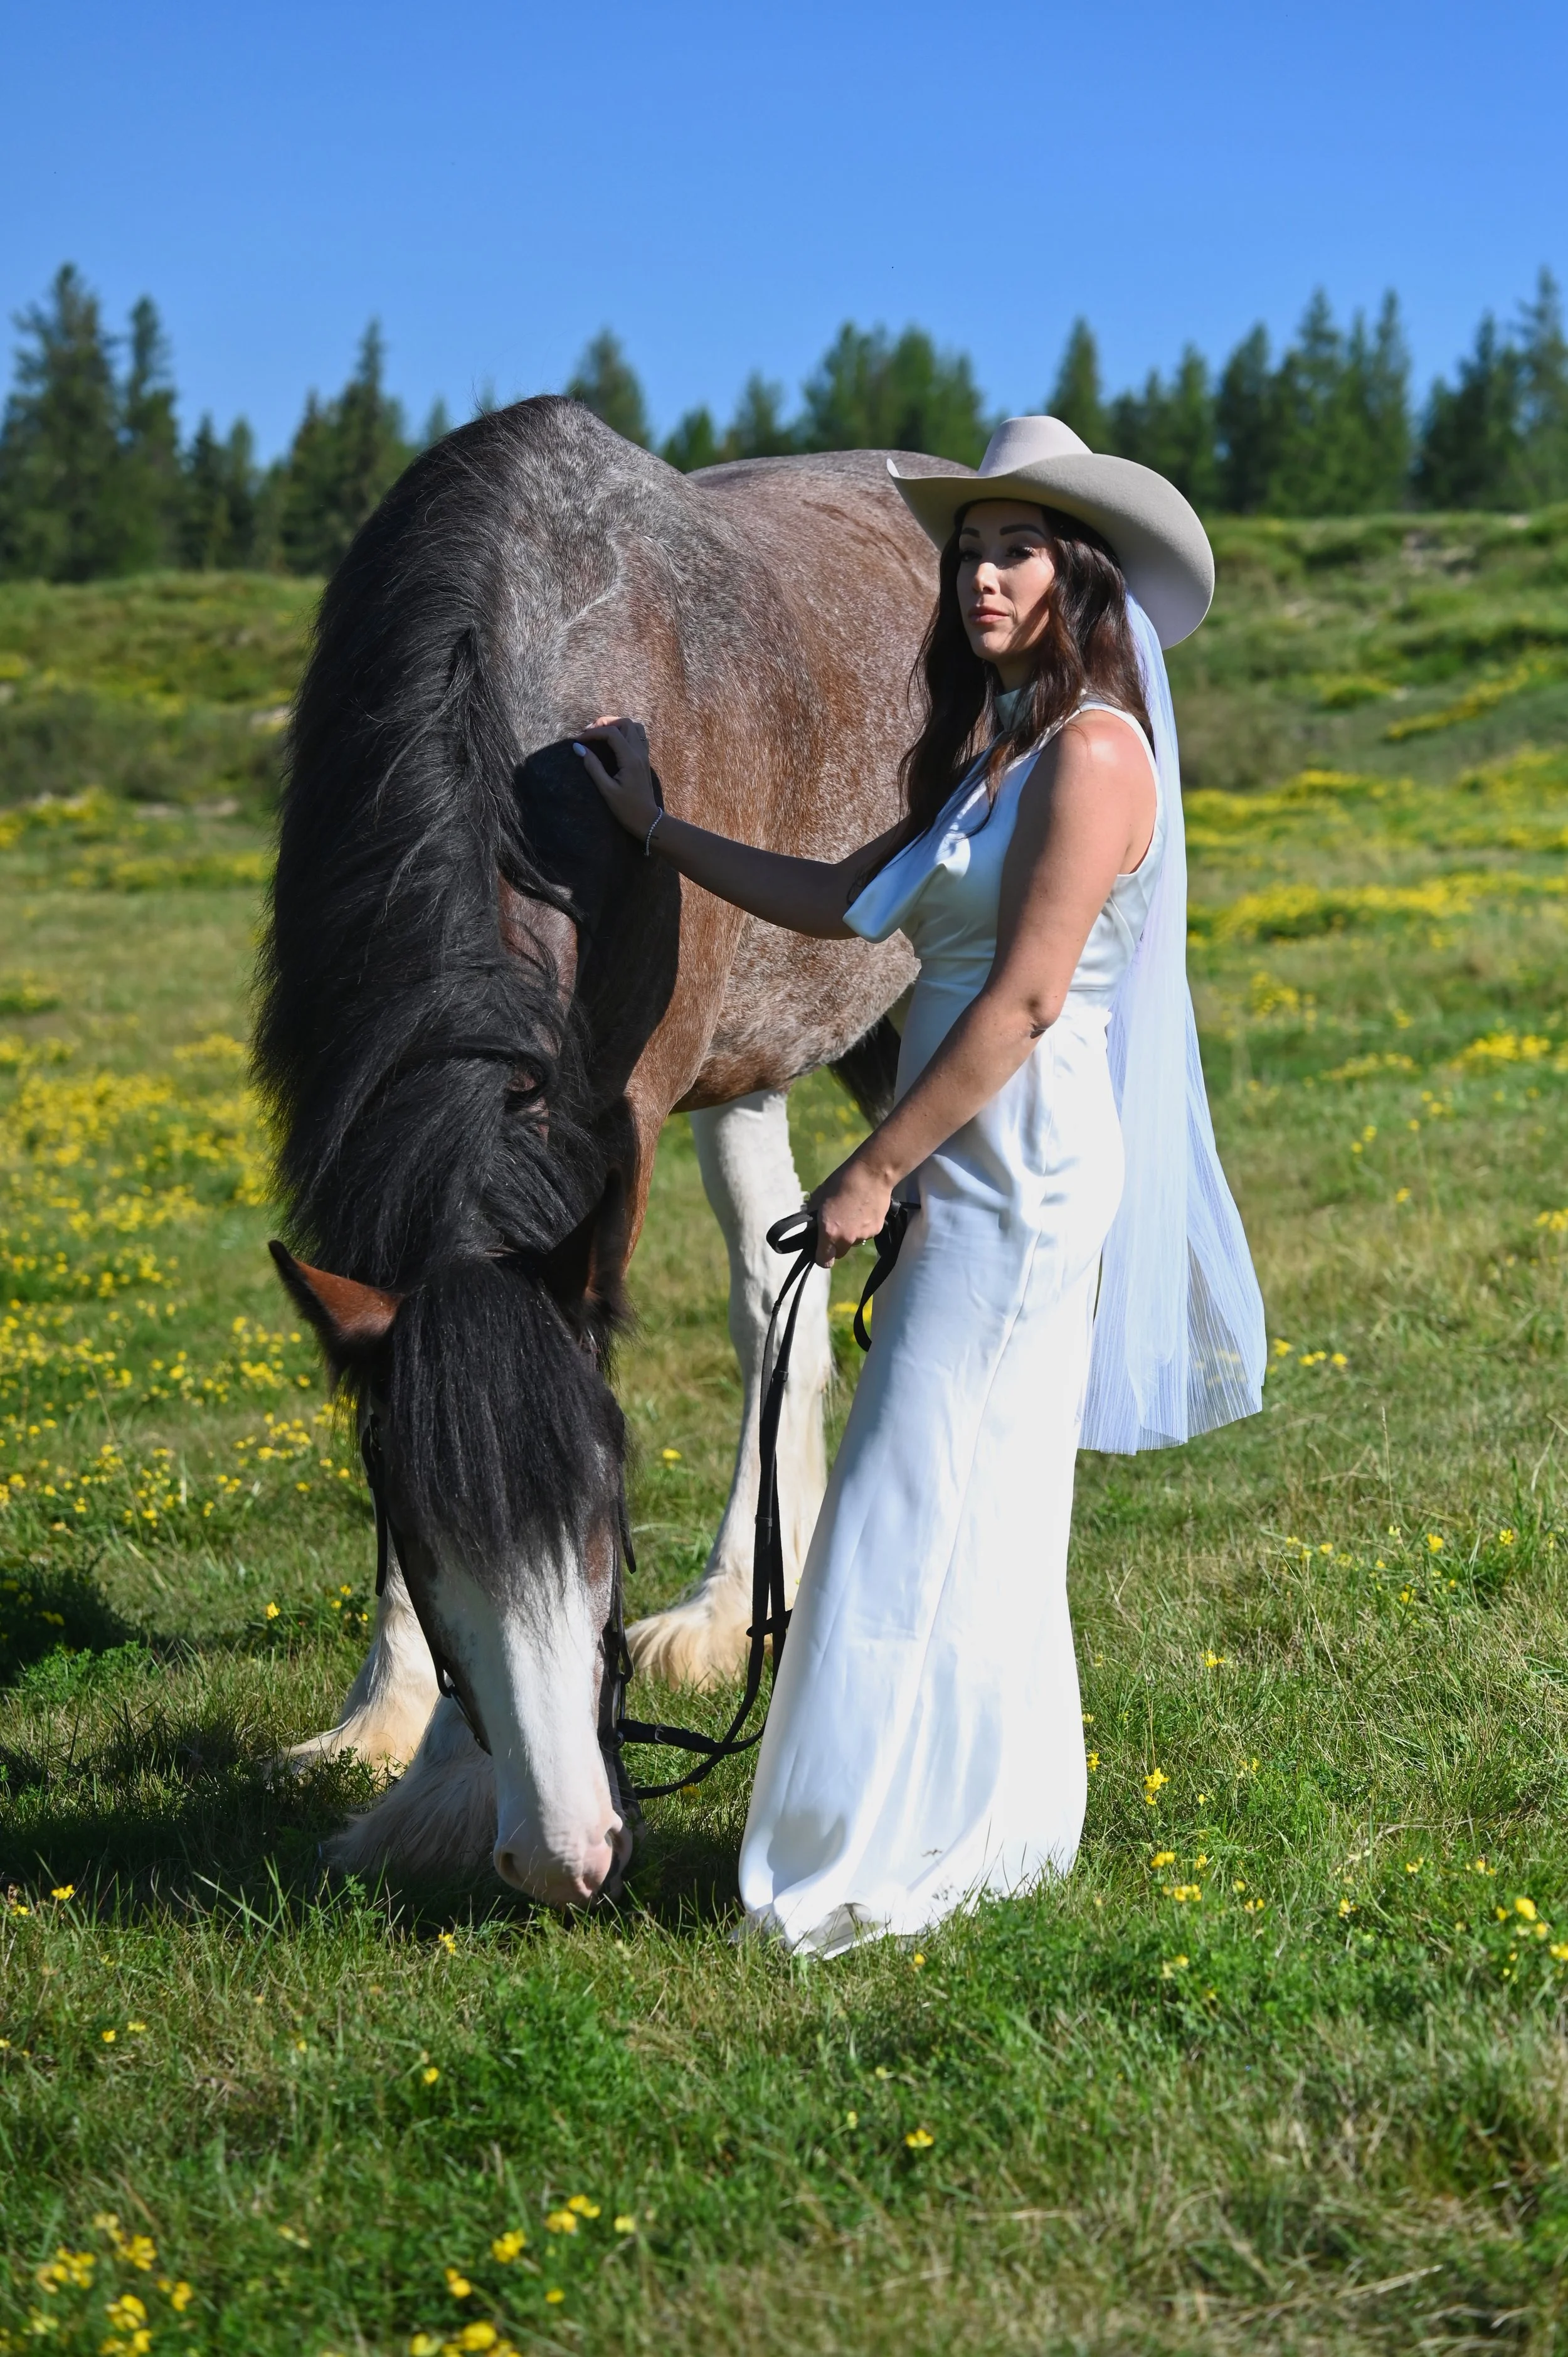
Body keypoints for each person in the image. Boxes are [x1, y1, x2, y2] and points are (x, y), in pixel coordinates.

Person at [576, 415, 1265, 1957]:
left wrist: (875, 1168)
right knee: (963, 1494)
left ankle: (867, 1847)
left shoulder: (1091, 754)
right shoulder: (1000, 750)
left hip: (1013, 1159)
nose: (977, 576)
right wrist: (657, 829)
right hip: (981, 1149)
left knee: (910, 1489)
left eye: (1012, 548)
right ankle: (971, 1820)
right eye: (965, 550)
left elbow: (1022, 1001)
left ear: (1077, 568)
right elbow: (842, 901)